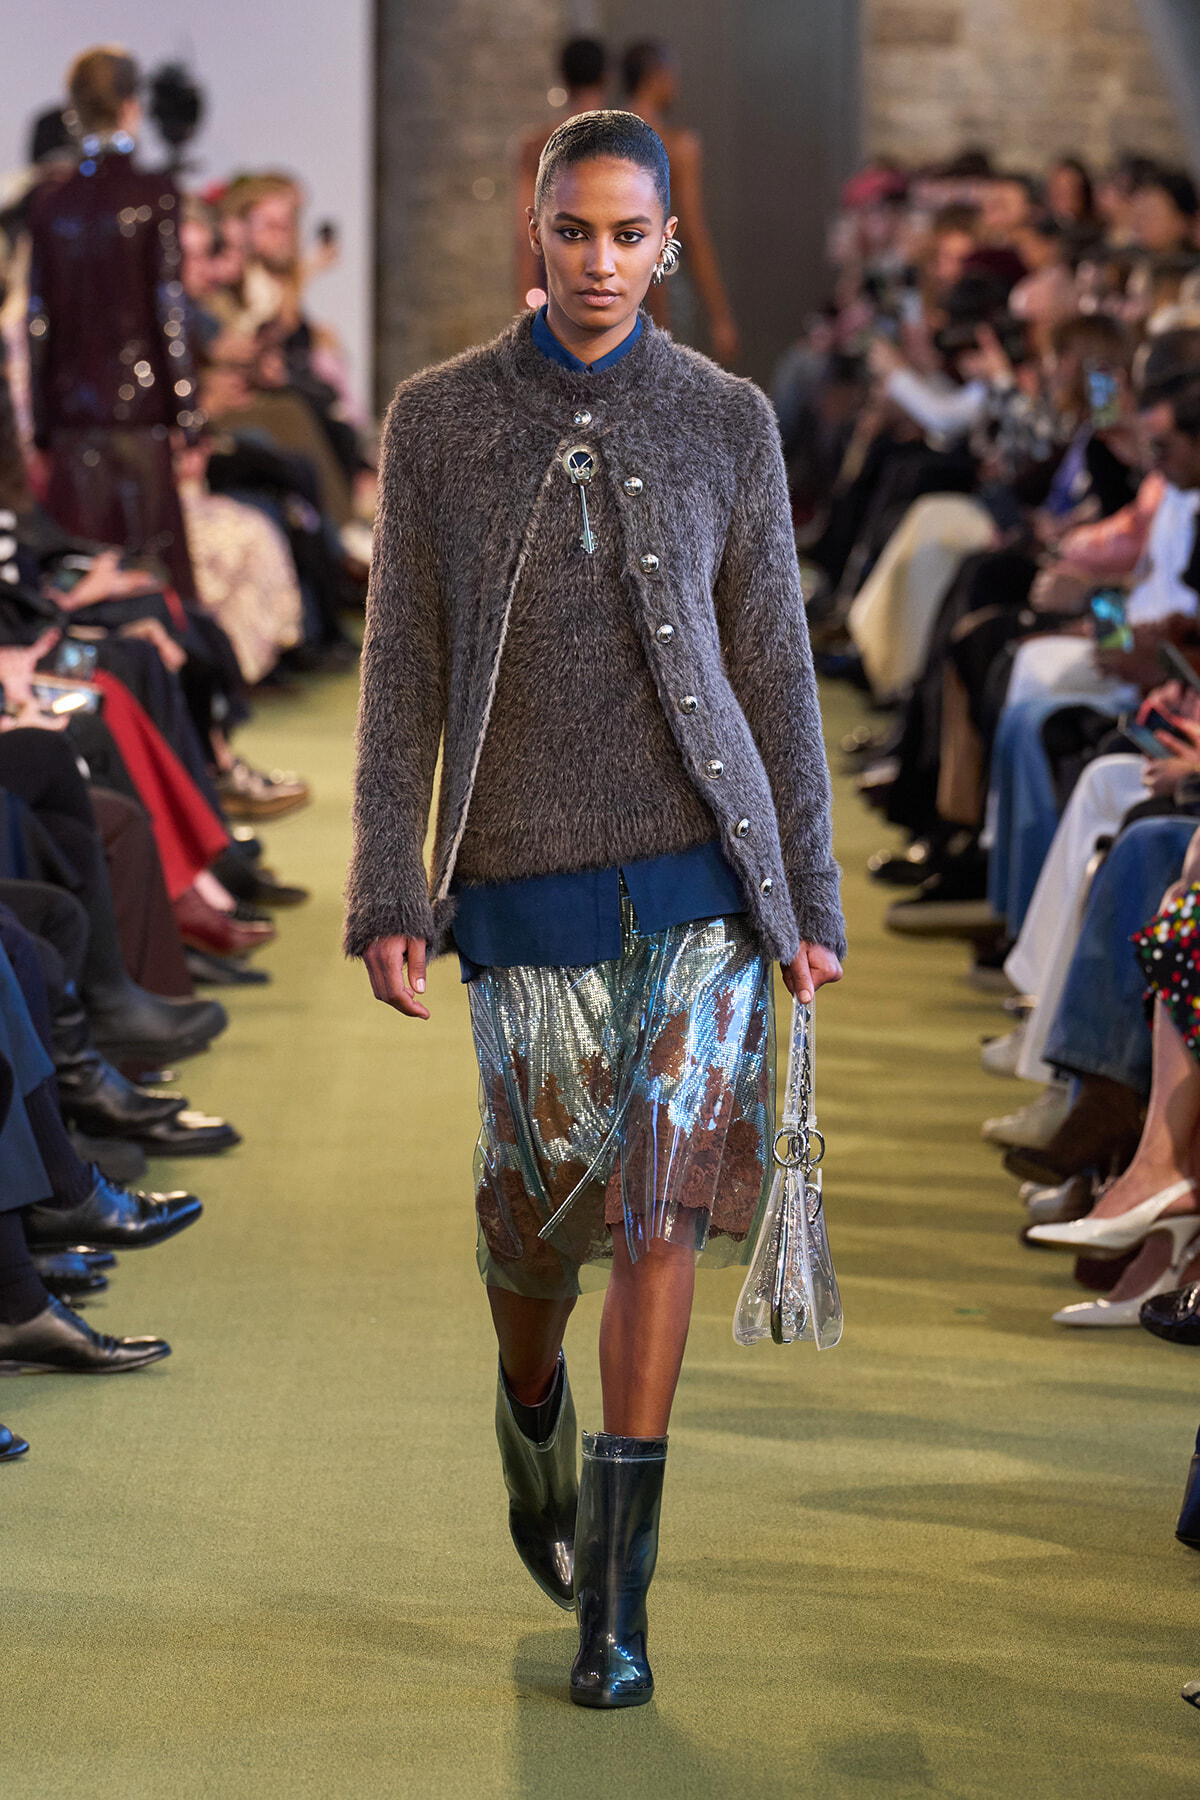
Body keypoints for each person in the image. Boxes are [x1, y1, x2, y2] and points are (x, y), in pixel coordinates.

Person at [345, 110, 844, 1708]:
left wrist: (807, 891)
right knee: (538, 1207)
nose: (603, 262)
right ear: (535, 229)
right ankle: (527, 1392)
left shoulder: (727, 420)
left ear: (670, 247)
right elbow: (401, 675)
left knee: (659, 1210)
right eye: (577, 231)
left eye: (633, 235)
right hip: (521, 880)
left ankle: (616, 1607)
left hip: (702, 875)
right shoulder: (439, 422)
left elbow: (773, 662)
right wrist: (387, 886)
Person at [27, 46, 201, 603]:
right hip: (142, 419)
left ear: (74, 109)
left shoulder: (52, 205)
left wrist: (42, 424)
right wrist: (189, 415)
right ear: (132, 107)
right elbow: (167, 309)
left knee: (77, 580)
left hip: (74, 420)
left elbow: (40, 323)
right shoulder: (154, 195)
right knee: (154, 578)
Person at [621, 40, 740, 365]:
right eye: (672, 76)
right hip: (664, 279)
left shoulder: (605, 140)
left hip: (613, 277)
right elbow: (694, 231)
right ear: (656, 76)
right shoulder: (677, 145)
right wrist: (720, 316)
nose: (676, 85)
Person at [513, 37, 609, 311]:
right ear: (606, 78)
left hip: (557, 274)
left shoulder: (535, 146)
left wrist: (529, 304)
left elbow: (524, 234)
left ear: (563, 77)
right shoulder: (625, 142)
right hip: (614, 272)